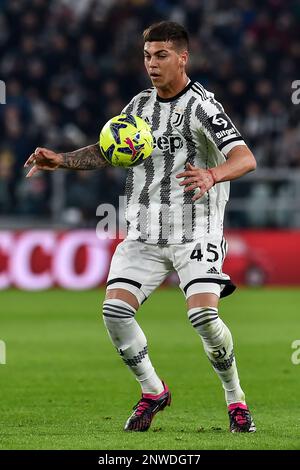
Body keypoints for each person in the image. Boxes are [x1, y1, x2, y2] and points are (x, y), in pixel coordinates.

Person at [24, 21, 257, 433]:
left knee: (203, 318)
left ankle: (235, 399)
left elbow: (245, 157)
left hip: (196, 230)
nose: (152, 63)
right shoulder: (138, 106)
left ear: (183, 58)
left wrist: (212, 175)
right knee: (114, 312)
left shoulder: (204, 107)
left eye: (161, 55)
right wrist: (61, 159)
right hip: (145, 233)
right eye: (147, 55)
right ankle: (153, 390)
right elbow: (111, 150)